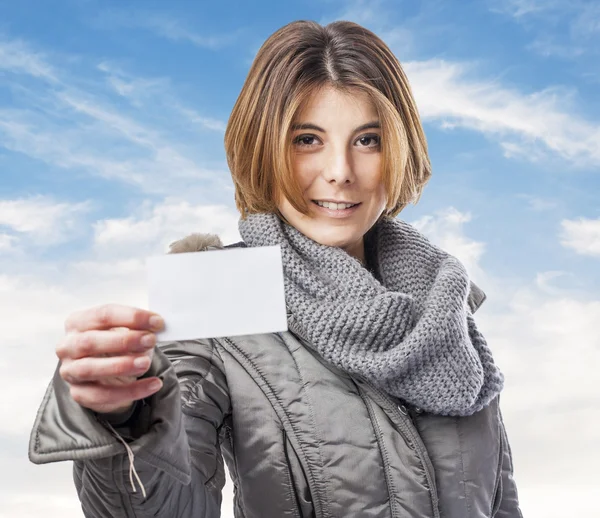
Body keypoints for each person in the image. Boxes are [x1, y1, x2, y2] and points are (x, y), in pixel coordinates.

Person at [29, 20, 523, 518]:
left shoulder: (442, 303)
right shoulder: (214, 293)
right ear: (263, 147)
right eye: (308, 139)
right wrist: (124, 417)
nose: (340, 171)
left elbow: (499, 504)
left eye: (368, 140)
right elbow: (169, 506)